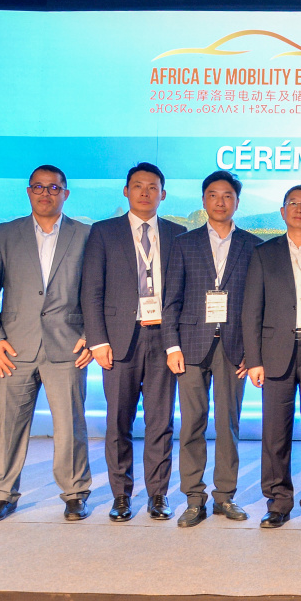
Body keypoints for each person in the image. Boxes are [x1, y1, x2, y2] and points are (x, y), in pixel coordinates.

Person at [0, 165, 93, 522]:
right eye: (39, 187)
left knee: (71, 427)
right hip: (14, 348)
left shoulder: (85, 234)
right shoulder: (4, 233)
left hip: (67, 345)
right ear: (28, 191)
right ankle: (2, 495)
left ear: (65, 193)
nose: (46, 193)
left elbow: (96, 291)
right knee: (9, 426)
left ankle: (75, 494)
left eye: (54, 188)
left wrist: (92, 335)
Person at [82, 162, 187, 522]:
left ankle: (158, 494)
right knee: (118, 421)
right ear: (126, 191)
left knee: (161, 422)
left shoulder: (177, 234)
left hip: (164, 339)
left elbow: (182, 292)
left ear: (163, 194)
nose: (145, 192)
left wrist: (177, 343)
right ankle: (121, 495)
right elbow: (91, 290)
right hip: (118, 341)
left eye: (152, 186)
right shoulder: (103, 232)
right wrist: (97, 340)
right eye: (138, 186)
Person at [163, 170, 261, 527]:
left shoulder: (253, 245)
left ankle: (225, 497)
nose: (221, 202)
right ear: (204, 200)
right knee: (192, 423)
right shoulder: (184, 243)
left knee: (228, 425)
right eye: (214, 195)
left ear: (237, 201)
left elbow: (257, 304)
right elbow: (171, 299)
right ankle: (193, 498)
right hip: (190, 345)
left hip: (234, 347)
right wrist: (171, 345)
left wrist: (254, 352)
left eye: (228, 196)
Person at [242, 185, 301, 529]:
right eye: (293, 203)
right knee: (275, 432)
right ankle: (278, 502)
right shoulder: (263, 252)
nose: (299, 208)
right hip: (275, 353)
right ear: (283, 212)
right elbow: (251, 309)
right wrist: (254, 358)